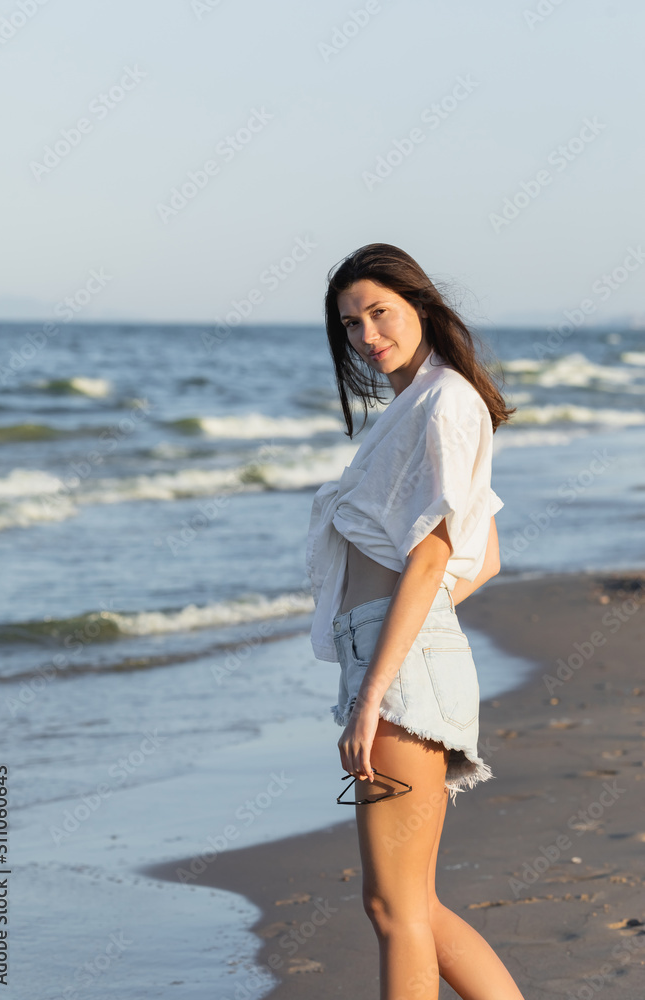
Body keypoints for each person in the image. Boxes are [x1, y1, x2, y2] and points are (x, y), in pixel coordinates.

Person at [305, 244, 525, 998]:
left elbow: (435, 555)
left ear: (419, 306)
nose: (367, 335)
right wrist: (414, 634)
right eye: (350, 323)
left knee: (396, 909)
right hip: (399, 646)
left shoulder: (444, 402)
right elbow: (484, 553)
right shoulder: (428, 405)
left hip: (395, 663)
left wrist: (377, 686)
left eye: (379, 313)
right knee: (408, 905)